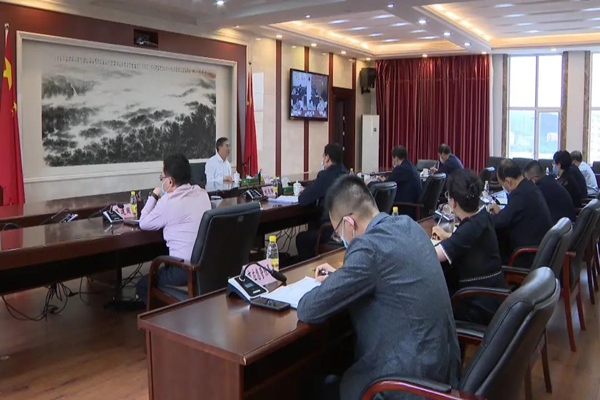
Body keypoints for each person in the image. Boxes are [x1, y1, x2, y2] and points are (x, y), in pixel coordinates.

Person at [297, 175, 460, 400]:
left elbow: (309, 309)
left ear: (349, 223)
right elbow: (387, 274)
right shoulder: (408, 225)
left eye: (338, 231)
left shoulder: (368, 248)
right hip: (442, 367)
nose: (340, 238)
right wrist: (342, 278)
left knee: (316, 384)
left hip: (408, 382)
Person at [431, 169, 506, 325]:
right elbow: (467, 240)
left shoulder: (469, 228)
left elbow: (431, 255)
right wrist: (447, 236)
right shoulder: (483, 217)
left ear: (452, 202)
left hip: (477, 304)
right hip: (493, 296)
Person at [136, 154, 212, 304]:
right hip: (206, 266)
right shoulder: (202, 194)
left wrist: (155, 194)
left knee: (143, 285)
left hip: (184, 270)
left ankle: (163, 315)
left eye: (162, 178)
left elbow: (143, 222)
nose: (162, 181)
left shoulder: (169, 201)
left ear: (170, 181)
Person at [488, 159, 552, 267]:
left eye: (502, 184)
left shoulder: (520, 194)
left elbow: (500, 221)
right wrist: (501, 213)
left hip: (526, 255)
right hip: (537, 249)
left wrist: (480, 217)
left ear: (508, 181)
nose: (504, 188)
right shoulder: (528, 187)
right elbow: (510, 215)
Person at [296, 143, 348, 261]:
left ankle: (310, 267)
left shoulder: (326, 175)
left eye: (324, 156)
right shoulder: (346, 174)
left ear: (327, 158)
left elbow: (303, 200)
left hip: (329, 230)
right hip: (344, 230)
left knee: (301, 239)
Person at [371, 146, 421, 219]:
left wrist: (369, 182)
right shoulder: (409, 165)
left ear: (396, 158)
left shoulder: (401, 168)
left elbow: (385, 185)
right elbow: (391, 181)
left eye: (393, 158)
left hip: (406, 205)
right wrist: (385, 180)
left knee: (379, 198)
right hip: (412, 201)